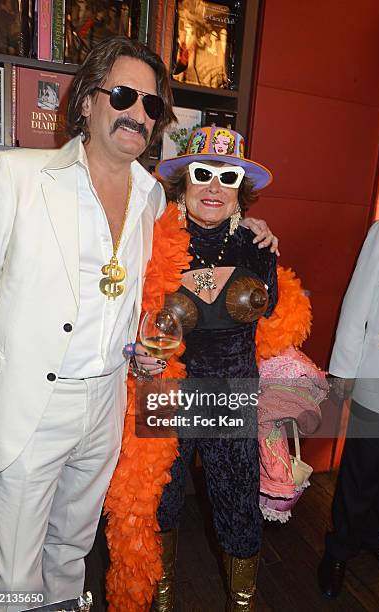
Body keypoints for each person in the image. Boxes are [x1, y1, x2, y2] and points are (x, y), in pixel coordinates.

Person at [0, 37, 277, 609]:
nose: (138, 114)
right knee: (15, 573)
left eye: (152, 106)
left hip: (110, 407)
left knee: (72, 552)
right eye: (123, 95)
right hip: (29, 405)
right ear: (88, 100)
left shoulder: (151, 201)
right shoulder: (17, 176)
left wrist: (261, 233)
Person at [105, 126, 278, 612]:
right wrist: (136, 354)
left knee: (237, 504)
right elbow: (122, 312)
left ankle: (242, 603)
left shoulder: (258, 246)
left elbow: (273, 317)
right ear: (183, 183)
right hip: (166, 391)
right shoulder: (150, 238)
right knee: (158, 503)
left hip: (230, 393)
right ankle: (160, 601)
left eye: (227, 178)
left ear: (240, 191)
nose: (214, 188)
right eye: (203, 174)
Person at [318, 219, 379, 599]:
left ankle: (374, 534)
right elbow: (357, 303)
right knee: (362, 469)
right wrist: (342, 371)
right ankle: (339, 548)